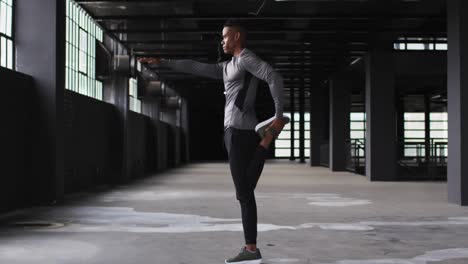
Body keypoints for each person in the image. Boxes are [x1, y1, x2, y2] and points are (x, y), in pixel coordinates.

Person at [139, 18, 289, 264]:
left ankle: (267, 140)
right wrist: (163, 62)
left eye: (225, 36)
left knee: (244, 191)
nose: (222, 40)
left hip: (241, 132)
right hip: (235, 131)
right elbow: (196, 67)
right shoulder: (229, 66)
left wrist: (278, 115)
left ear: (237, 37)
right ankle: (251, 248)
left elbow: (274, 77)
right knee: (245, 191)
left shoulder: (245, 59)